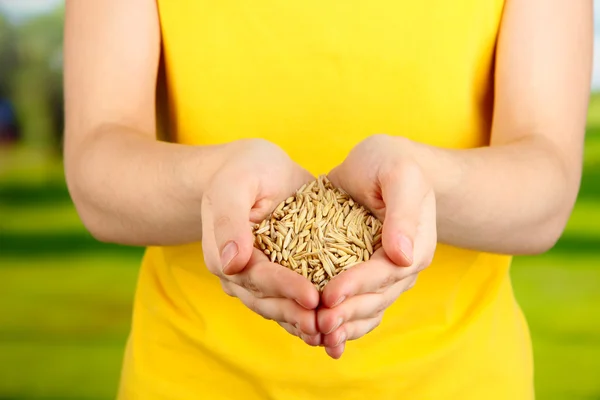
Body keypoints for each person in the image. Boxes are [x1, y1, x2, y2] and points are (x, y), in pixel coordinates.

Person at [63, 1, 592, 399]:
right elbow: (98, 166)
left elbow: (545, 185)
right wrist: (214, 179)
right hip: (188, 377)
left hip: (460, 380)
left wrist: (421, 182)